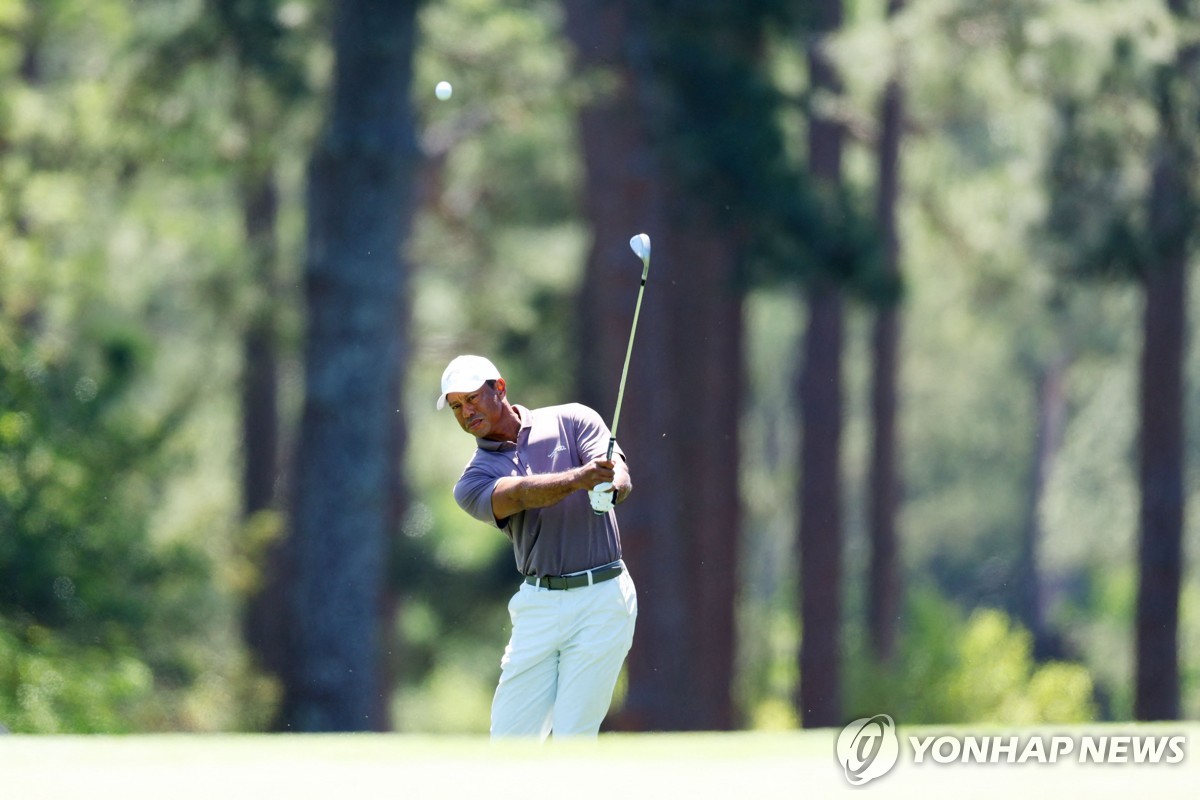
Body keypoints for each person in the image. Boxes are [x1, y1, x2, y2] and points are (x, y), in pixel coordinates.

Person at [437, 354, 637, 740]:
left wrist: (612, 486)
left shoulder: (573, 418)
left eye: (473, 398)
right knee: (510, 742)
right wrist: (580, 478)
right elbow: (521, 495)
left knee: (573, 736)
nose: (466, 412)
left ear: (500, 388)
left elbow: (619, 474)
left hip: (603, 597)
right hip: (539, 606)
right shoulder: (472, 480)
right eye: (456, 406)